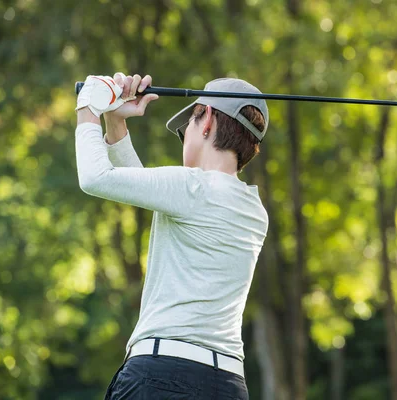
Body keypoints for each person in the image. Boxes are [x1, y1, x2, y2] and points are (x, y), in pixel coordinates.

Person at [75, 72, 269, 399]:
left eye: (187, 127)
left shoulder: (192, 187)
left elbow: (95, 178)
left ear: (206, 118)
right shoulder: (253, 210)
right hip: (228, 385)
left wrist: (89, 106)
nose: (185, 138)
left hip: (161, 376)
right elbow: (146, 188)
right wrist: (115, 123)